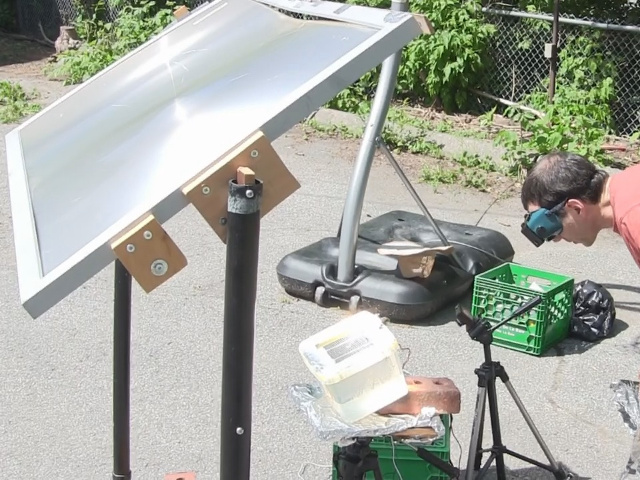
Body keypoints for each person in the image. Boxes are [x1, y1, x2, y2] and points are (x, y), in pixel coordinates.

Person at [520, 151, 640, 268]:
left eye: (553, 227)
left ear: (576, 208)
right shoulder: (629, 179)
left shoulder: (633, 218)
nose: (556, 239)